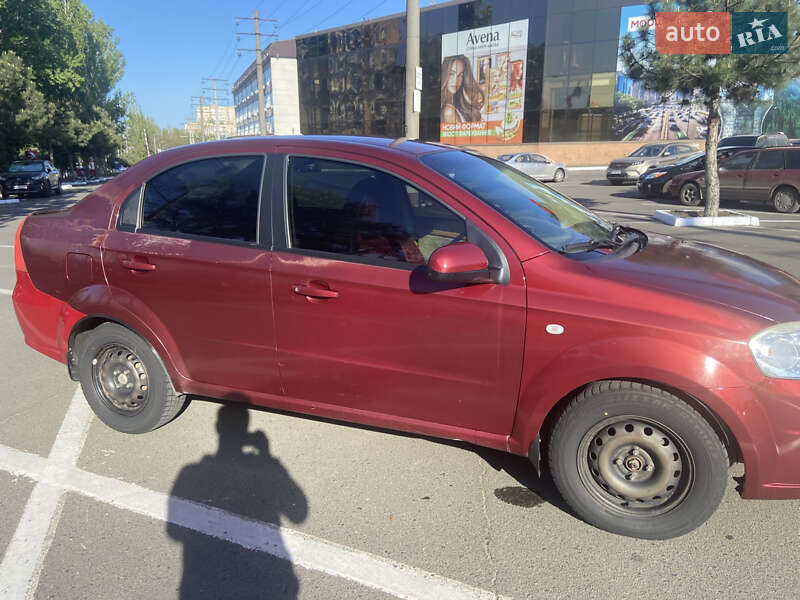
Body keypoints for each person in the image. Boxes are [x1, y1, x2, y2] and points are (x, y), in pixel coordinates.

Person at [440, 55, 485, 124]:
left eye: (460, 75)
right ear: (444, 74)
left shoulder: (456, 105)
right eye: (451, 74)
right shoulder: (449, 112)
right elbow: (475, 133)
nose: (456, 80)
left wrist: (470, 104)